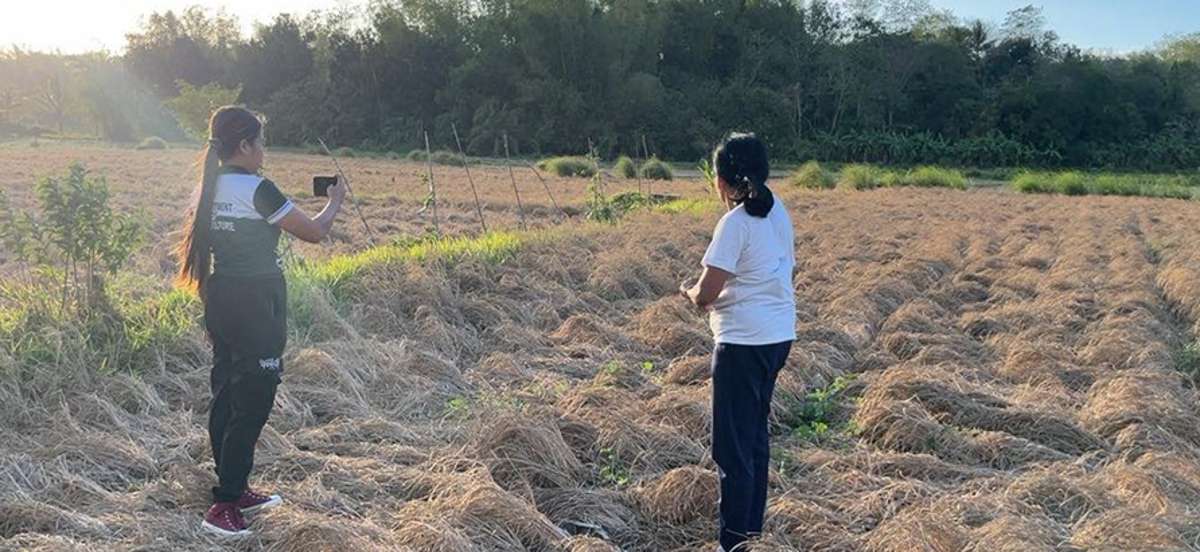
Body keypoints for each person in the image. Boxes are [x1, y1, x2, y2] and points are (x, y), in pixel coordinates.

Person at [175, 106, 346, 537]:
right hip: (256, 300)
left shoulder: (207, 189)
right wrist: (334, 203)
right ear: (245, 145)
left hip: (220, 295)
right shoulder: (258, 188)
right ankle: (224, 506)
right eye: (261, 143)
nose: (264, 151)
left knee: (228, 390)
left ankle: (234, 485)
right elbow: (314, 232)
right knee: (255, 397)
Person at [680, 133, 796, 551]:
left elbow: (707, 292)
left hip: (741, 346)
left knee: (731, 448)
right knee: (754, 439)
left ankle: (733, 544)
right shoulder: (777, 210)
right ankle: (751, 532)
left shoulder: (735, 224)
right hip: (777, 338)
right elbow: (782, 273)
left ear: (723, 181)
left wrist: (691, 295)